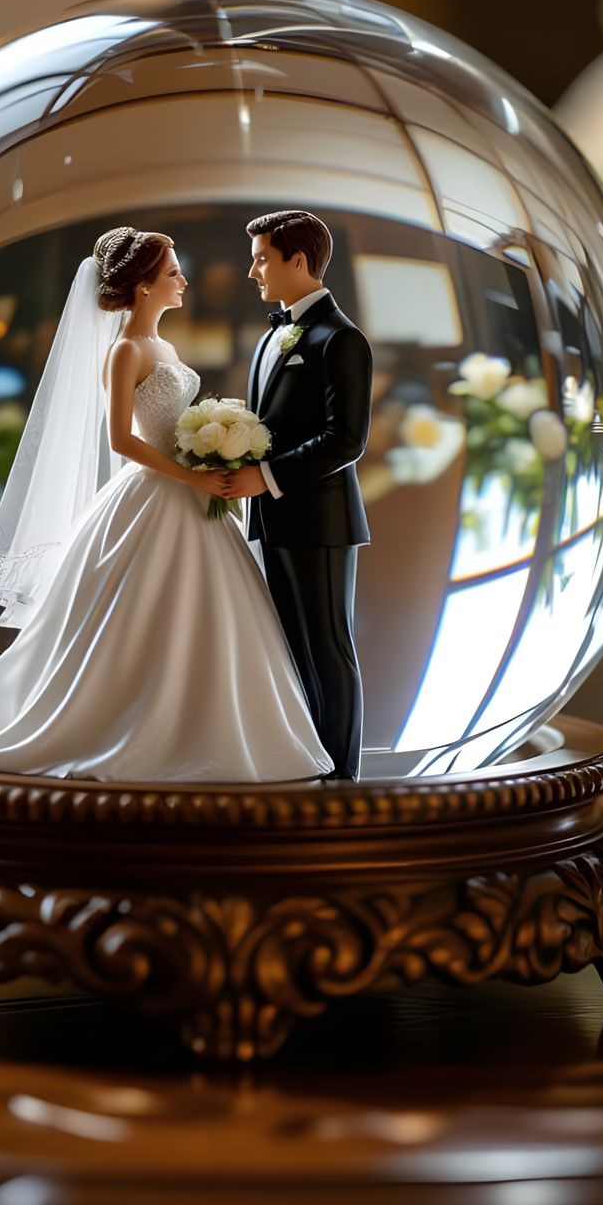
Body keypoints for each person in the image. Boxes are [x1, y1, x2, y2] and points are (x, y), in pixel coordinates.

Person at [0, 226, 333, 783]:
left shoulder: (163, 346)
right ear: (143, 288)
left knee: (210, 612)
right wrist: (191, 476)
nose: (183, 281)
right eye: (171, 273)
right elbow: (122, 439)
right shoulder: (125, 350)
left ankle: (207, 729)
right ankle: (134, 730)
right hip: (155, 489)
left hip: (189, 488)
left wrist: (212, 451)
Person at [217, 210, 372, 780]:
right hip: (272, 520)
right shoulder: (268, 338)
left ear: (297, 262)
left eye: (261, 258)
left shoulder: (341, 339)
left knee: (328, 646)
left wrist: (268, 477)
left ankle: (342, 775)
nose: (252, 270)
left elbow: (346, 439)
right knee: (291, 650)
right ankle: (308, 762)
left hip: (321, 521)